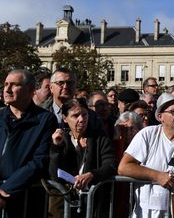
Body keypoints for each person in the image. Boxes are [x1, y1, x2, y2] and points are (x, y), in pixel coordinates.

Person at [118, 93, 174, 218]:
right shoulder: (147, 134)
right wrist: (157, 176)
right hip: (147, 212)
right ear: (160, 116)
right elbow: (124, 167)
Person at [0, 69, 57, 217]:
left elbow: (40, 160)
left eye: (14, 85)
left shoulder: (45, 120)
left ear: (31, 90)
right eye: (6, 84)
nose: (7, 89)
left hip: (24, 199)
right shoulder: (0, 116)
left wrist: (6, 189)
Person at [49, 98, 117, 217]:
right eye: (75, 116)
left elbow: (111, 164)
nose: (81, 119)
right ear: (65, 118)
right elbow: (55, 174)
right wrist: (56, 147)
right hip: (66, 204)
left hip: (93, 205)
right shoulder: (61, 140)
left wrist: (92, 174)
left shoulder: (99, 138)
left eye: (84, 114)